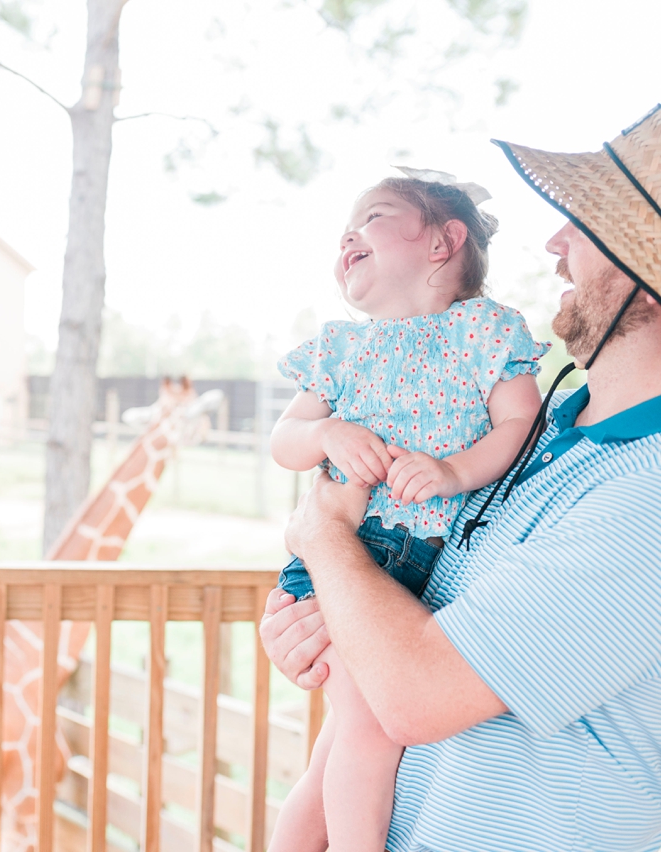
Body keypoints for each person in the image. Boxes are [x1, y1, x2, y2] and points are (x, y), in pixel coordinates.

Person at [260, 104, 661, 851]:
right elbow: (408, 632)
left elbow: (414, 695)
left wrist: (322, 535)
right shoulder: (546, 433)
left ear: (647, 277)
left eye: (591, 227)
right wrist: (324, 617)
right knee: (339, 745)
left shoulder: (647, 489)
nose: (554, 240)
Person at [268, 171, 547, 852]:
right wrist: (328, 433)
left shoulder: (487, 331)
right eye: (348, 227)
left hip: (423, 565)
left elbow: (519, 424)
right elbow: (285, 440)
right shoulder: (340, 349)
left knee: (340, 742)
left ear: (443, 243)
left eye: (376, 216)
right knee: (365, 728)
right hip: (348, 558)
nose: (348, 234)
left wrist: (453, 471)